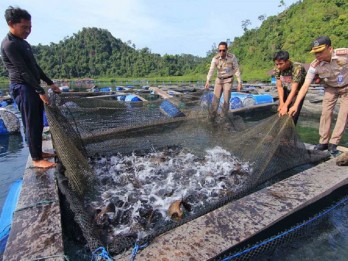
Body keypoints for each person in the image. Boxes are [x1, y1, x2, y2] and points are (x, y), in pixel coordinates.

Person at [1, 6, 61, 168]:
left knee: (38, 123)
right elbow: (23, 72)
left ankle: (39, 152)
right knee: (31, 123)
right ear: (11, 24)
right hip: (22, 87)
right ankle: (36, 159)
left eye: (30, 28)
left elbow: (35, 67)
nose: (27, 31)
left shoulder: (23, 43)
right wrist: (40, 91)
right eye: (24, 27)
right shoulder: (9, 45)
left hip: (31, 86)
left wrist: (50, 83)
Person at [289, 36, 348, 154]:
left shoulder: (344, 54)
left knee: (343, 114)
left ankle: (333, 143)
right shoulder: (315, 65)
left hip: (347, 87)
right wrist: (295, 105)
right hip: (330, 87)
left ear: (330, 49)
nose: (317, 55)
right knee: (325, 113)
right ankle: (323, 142)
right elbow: (305, 86)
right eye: (315, 52)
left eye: (320, 52)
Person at [205, 41, 242, 118]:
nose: (221, 52)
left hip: (228, 80)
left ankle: (223, 118)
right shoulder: (215, 59)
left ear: (227, 49)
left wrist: (239, 82)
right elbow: (211, 70)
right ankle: (213, 116)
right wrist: (208, 81)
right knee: (215, 100)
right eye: (220, 50)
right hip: (219, 80)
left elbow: (236, 69)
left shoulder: (232, 57)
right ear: (218, 50)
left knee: (226, 101)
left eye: (223, 50)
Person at [273, 50, 307, 125]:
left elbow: (294, 89)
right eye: (277, 64)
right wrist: (282, 103)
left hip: (297, 92)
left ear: (287, 61)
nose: (279, 66)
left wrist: (286, 106)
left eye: (281, 64)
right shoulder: (277, 69)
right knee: (281, 111)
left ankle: (289, 133)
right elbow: (279, 86)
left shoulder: (297, 68)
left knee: (292, 114)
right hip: (285, 90)